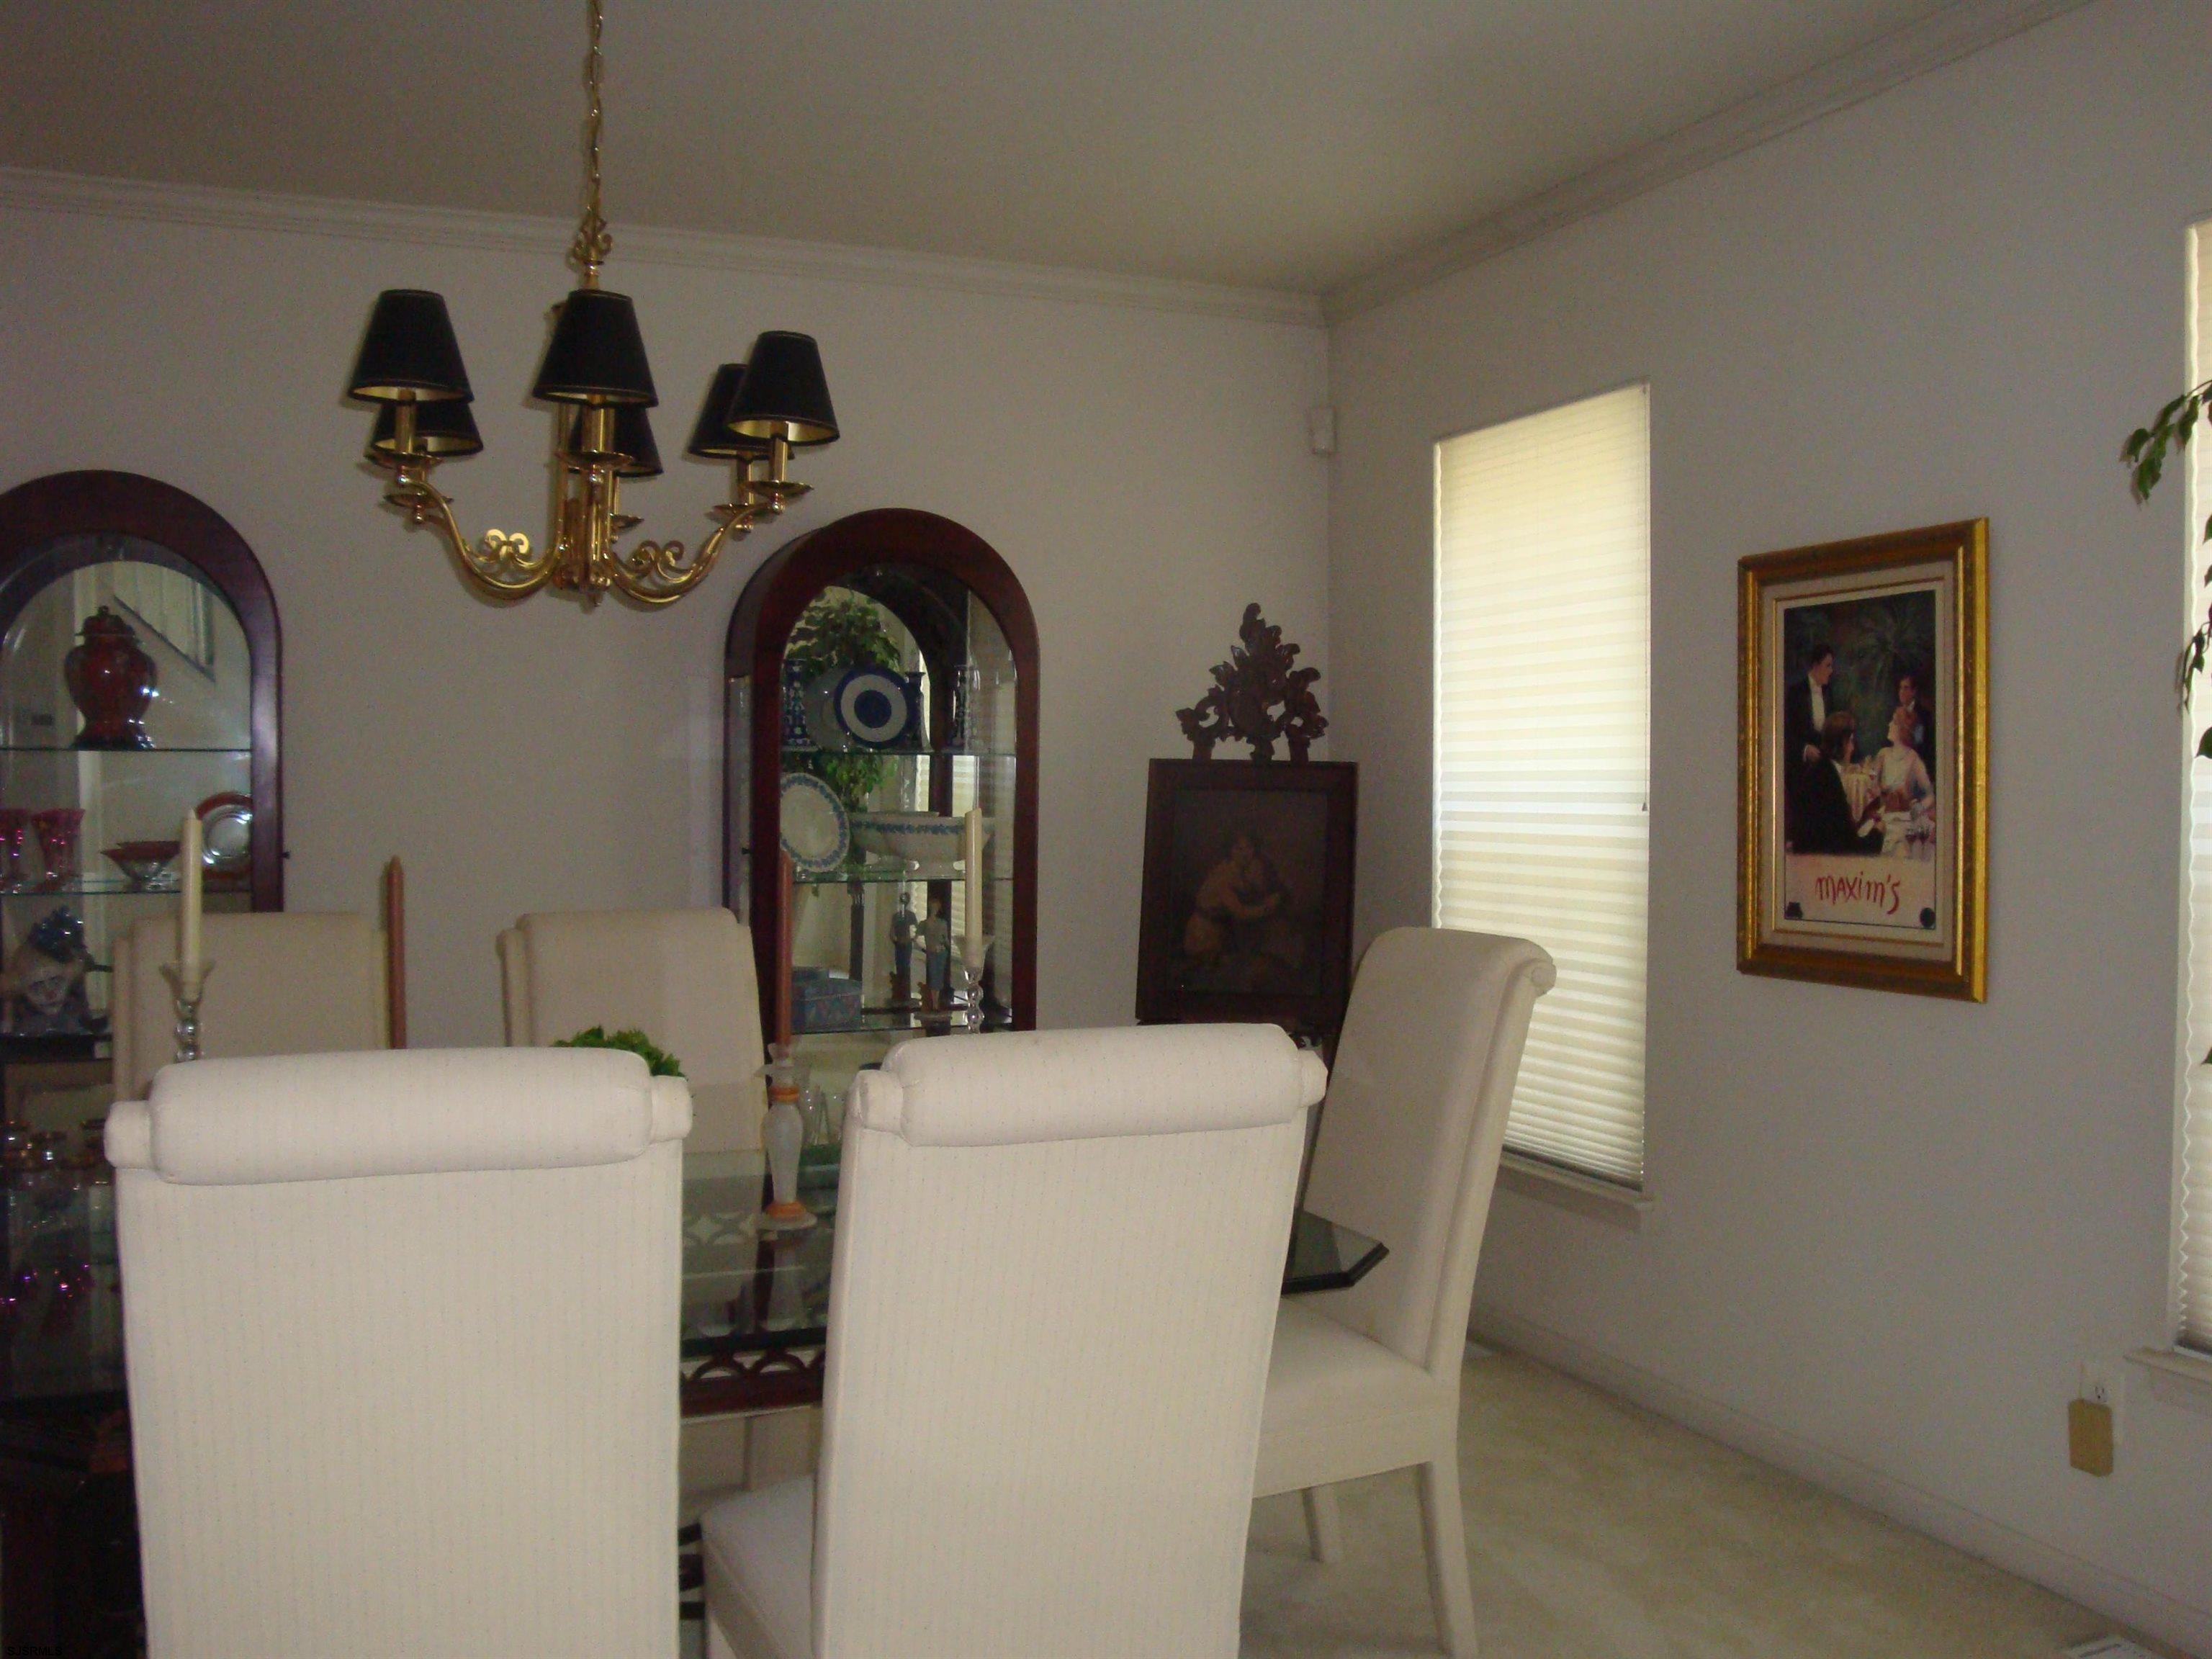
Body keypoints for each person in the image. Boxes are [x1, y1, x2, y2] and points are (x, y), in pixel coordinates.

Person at [1790, 712, 1883, 855]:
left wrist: (1864, 818)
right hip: (1819, 862)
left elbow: (1839, 829)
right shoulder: (1827, 779)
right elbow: (1847, 848)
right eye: (1851, 742)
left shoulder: (1823, 769)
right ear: (1842, 743)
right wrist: (1878, 833)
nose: (1852, 748)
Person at [1868, 702, 1936, 858]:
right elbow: (1871, 782)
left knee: (1901, 849)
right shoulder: (1883, 754)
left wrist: (1919, 808)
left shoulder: (1913, 759)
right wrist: (1874, 790)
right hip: (1884, 816)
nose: (1889, 724)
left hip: (1903, 820)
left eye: (1893, 721)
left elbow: (1930, 796)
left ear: (1903, 729)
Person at [1894, 670, 1934, 774]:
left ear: (1914, 691)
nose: (1901, 692)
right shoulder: (1896, 712)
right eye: (1900, 688)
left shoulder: (1923, 715)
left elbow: (1920, 743)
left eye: (1906, 688)